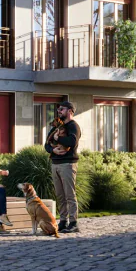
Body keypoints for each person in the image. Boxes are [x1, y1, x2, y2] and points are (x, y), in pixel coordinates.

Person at [43, 98, 82, 233]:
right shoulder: (56, 126)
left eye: (62, 109)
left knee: (69, 194)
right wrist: (52, 150)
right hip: (55, 164)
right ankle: (63, 221)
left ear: (70, 111)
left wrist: (58, 139)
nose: (59, 111)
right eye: (58, 109)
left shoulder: (73, 126)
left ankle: (74, 223)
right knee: (60, 195)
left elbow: (72, 141)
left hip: (68, 164)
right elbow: (46, 144)